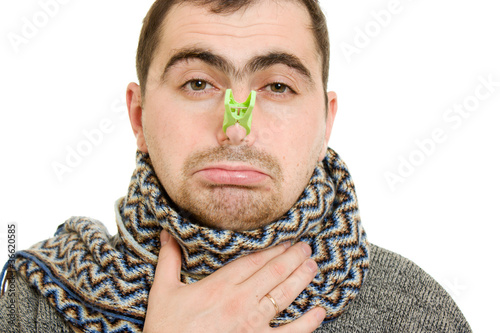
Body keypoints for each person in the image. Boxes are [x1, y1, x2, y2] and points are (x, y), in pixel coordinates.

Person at [0, 0, 472, 332]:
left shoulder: (417, 314)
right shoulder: (33, 304)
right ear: (139, 117)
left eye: (279, 87)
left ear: (326, 122)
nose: (236, 130)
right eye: (199, 82)